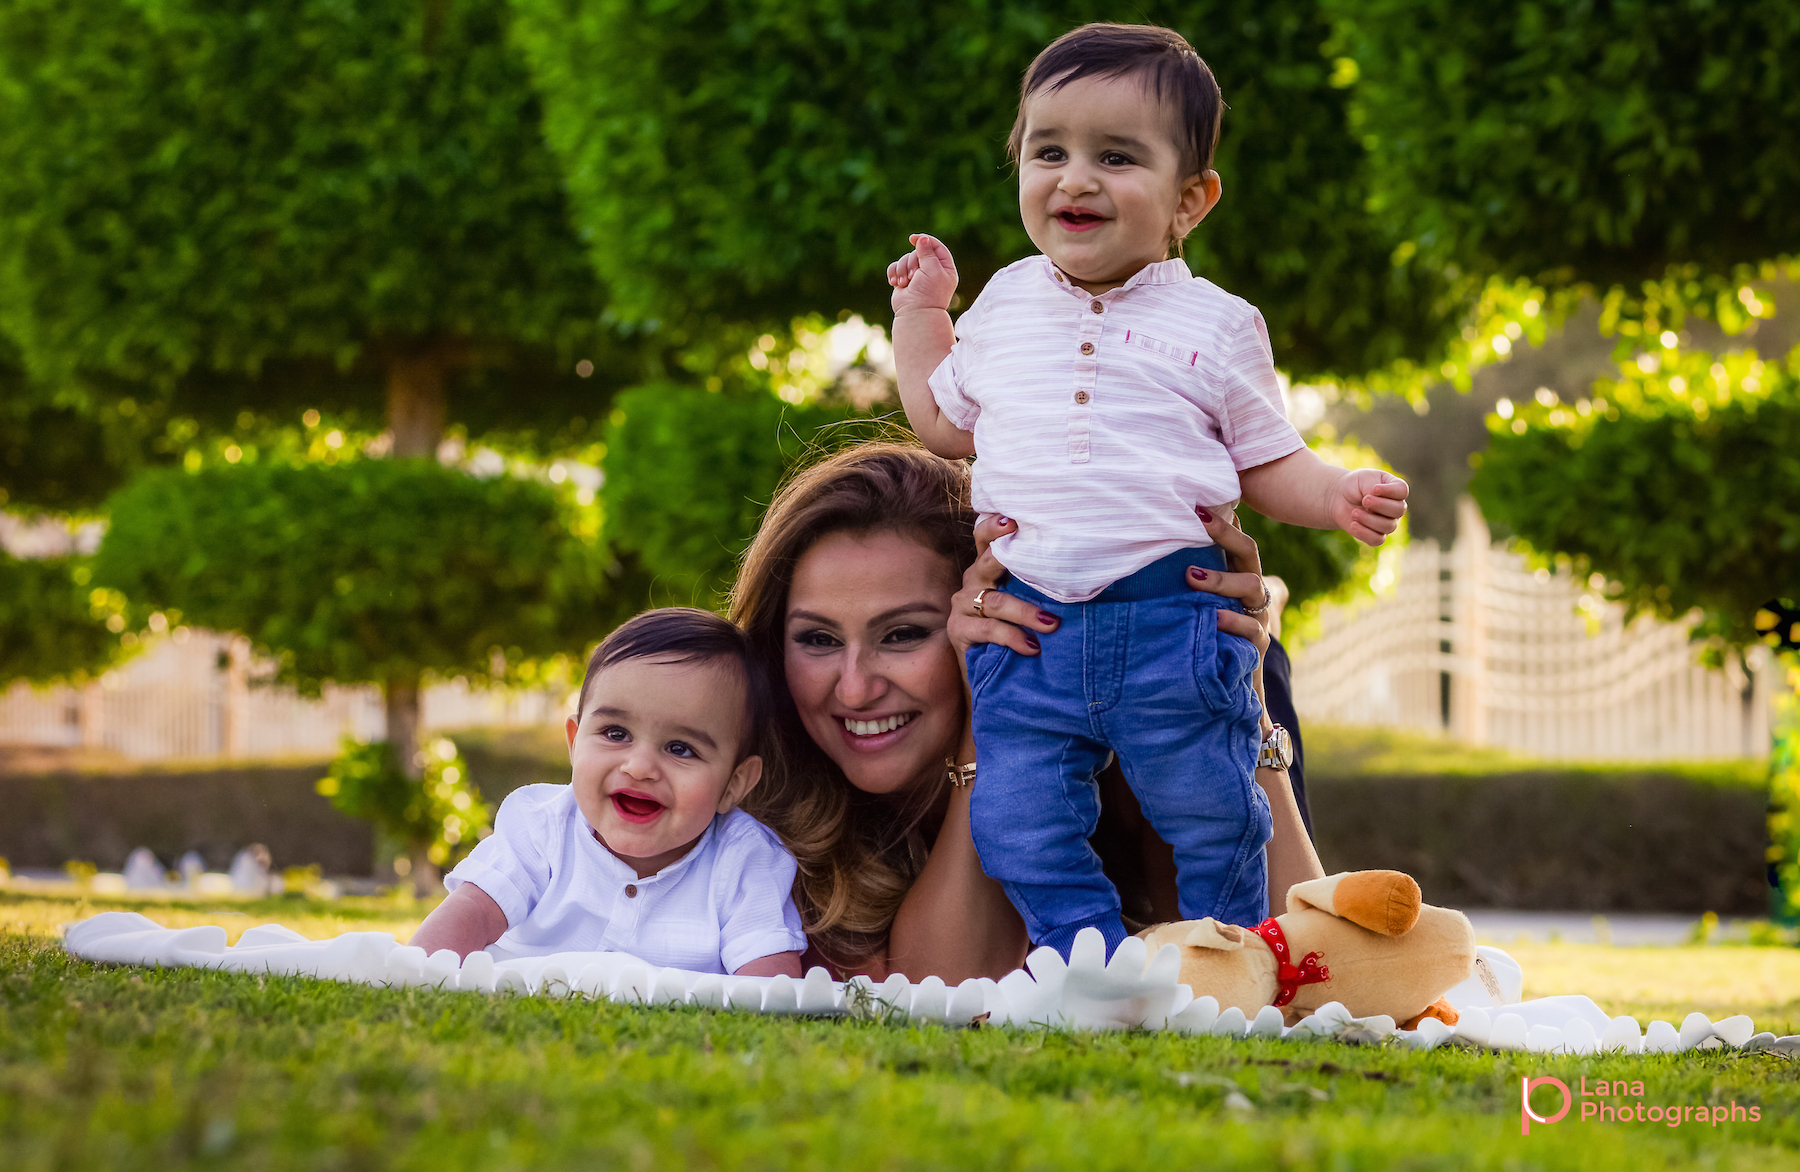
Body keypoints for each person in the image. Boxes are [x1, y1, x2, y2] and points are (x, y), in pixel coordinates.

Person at [884, 23, 1404, 959]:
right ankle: (1084, 957)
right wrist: (924, 313)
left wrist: (1334, 494)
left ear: (1190, 199)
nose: (1074, 179)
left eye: (1115, 157)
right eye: (1049, 152)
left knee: (1212, 808)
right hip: (1031, 625)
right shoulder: (1003, 304)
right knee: (1019, 817)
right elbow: (942, 422)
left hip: (1172, 617)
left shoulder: (1217, 323)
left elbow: (1262, 460)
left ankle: (1225, 957)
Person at [732, 442, 1324, 982]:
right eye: (817, 639)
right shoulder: (758, 792)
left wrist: (1244, 712)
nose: (856, 689)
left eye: (904, 635)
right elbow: (939, 995)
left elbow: (1296, 970)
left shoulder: (1140, 737)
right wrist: (994, 730)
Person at [409, 608, 807, 977]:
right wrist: (415, 976)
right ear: (575, 740)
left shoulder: (744, 860)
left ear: (734, 784)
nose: (639, 767)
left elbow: (770, 984)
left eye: (680, 748)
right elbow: (473, 912)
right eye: (616, 734)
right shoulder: (540, 827)